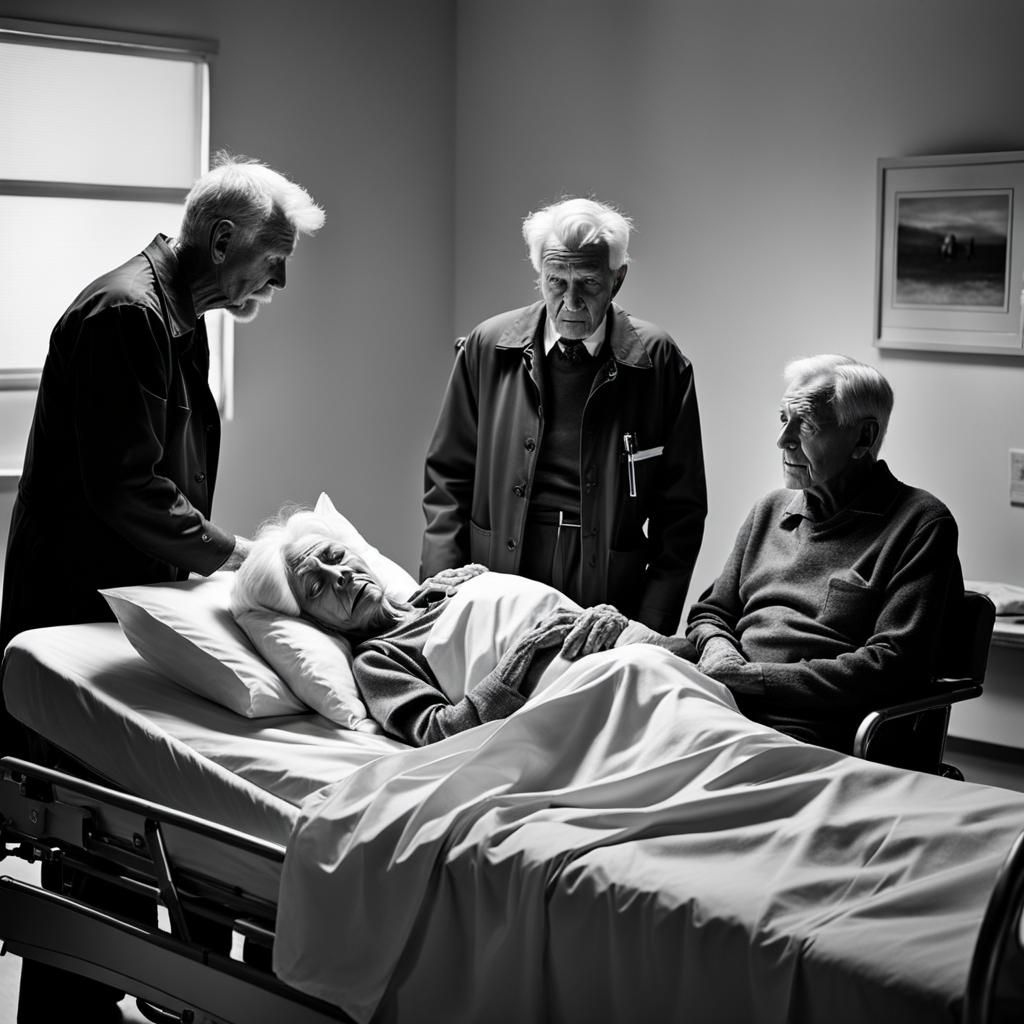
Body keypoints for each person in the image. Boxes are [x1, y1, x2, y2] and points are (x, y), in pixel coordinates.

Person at [0, 153, 324, 1023]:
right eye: (273, 256)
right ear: (222, 238)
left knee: (121, 855)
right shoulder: (124, 316)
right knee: (91, 846)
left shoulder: (175, 318)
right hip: (76, 612)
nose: (280, 279)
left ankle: (150, 994)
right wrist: (238, 560)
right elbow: (126, 487)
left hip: (123, 602)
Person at [420, 197, 707, 636]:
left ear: (618, 279)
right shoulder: (488, 347)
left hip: (607, 583)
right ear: (540, 276)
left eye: (588, 283)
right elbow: (447, 480)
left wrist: (649, 626)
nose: (570, 300)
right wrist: (441, 597)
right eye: (557, 281)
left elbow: (681, 514)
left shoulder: (659, 362)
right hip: (501, 571)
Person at [685, 354, 964, 756]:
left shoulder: (920, 523)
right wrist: (717, 649)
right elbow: (711, 612)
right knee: (616, 677)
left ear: (863, 439)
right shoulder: (770, 509)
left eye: (807, 425)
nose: (783, 439)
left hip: (800, 730)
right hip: (720, 703)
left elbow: (893, 666)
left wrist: (758, 678)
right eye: (783, 418)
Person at [231, 509, 696, 747]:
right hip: (599, 695)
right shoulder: (378, 660)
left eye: (335, 558)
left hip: (618, 642)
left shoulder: (440, 590)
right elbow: (439, 735)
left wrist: (603, 616)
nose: (341, 576)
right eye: (316, 587)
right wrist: (521, 658)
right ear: (308, 620)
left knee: (717, 667)